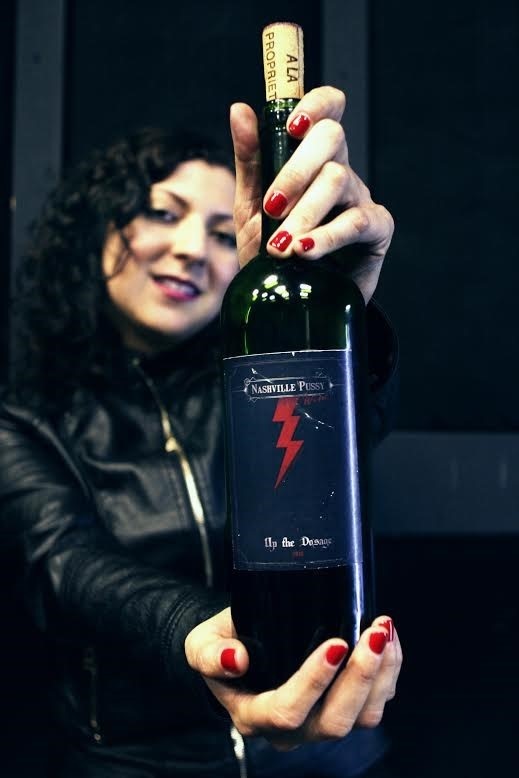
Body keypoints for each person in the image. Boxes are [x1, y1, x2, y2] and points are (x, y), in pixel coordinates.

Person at [0, 88, 401, 777]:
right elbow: (65, 565)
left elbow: (359, 428)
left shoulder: (258, 379)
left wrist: (344, 315)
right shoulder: (27, 419)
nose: (192, 250)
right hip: (139, 763)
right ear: (97, 227)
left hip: (330, 754)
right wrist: (195, 634)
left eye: (221, 234)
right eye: (163, 213)